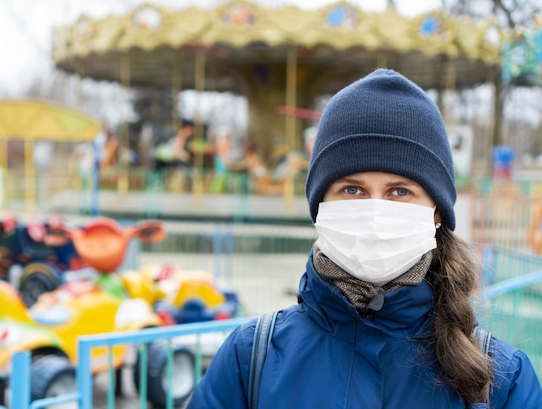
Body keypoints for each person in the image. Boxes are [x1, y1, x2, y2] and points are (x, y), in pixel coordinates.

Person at [186, 69, 542, 408]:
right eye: (352, 189)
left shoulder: (502, 379)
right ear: (321, 204)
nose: (374, 212)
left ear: (436, 211)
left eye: (400, 192)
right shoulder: (249, 359)